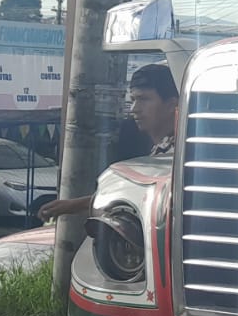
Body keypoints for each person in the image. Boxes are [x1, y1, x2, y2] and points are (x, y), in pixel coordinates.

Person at [39, 63, 178, 222]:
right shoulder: (151, 146)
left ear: (171, 104)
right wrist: (73, 205)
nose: (134, 109)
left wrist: (73, 206)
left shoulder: (178, 154)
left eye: (144, 99)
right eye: (133, 100)